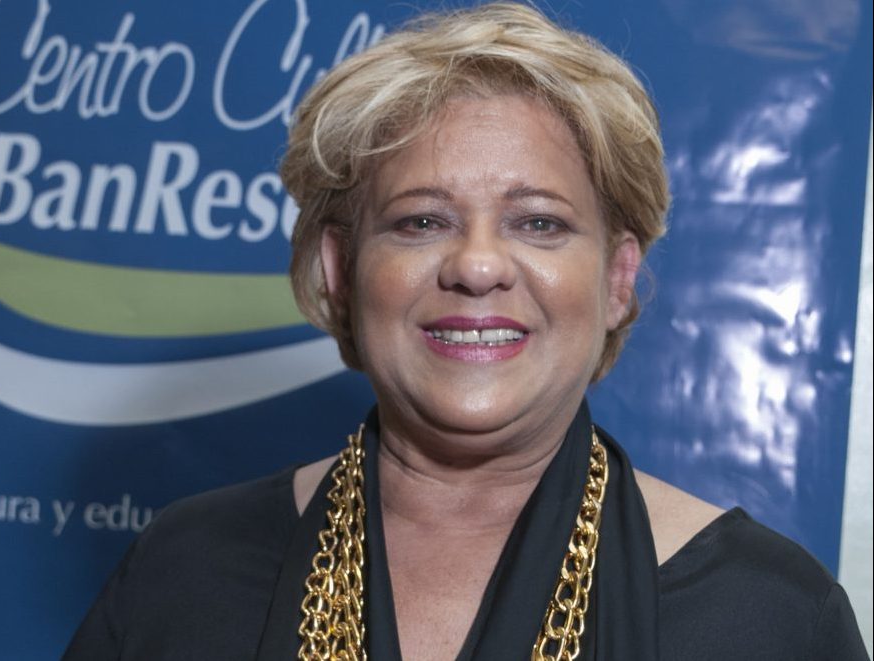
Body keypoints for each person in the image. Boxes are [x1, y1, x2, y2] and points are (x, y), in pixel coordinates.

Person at [64, 3, 868, 660]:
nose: (477, 265)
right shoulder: (184, 568)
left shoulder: (768, 614)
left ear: (616, 278)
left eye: (538, 222)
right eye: (421, 220)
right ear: (340, 269)